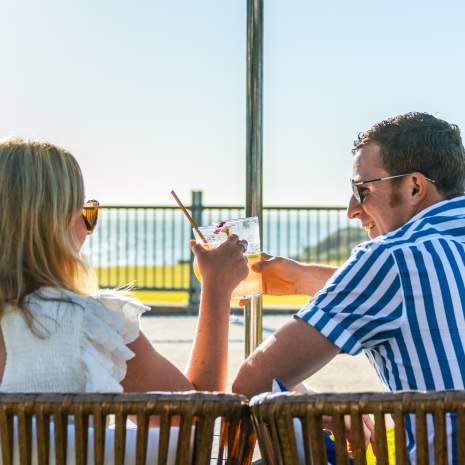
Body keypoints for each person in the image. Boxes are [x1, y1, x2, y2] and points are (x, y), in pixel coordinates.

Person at [233, 112, 465, 462]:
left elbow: (250, 385)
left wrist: (312, 405)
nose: (352, 210)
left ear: (415, 187)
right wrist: (301, 278)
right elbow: (436, 291)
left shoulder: (391, 258)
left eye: (363, 189)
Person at [0, 137, 249, 393]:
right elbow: (197, 417)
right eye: (86, 213)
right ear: (55, 222)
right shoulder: (87, 328)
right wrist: (217, 289)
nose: (88, 229)